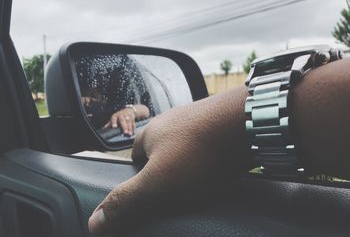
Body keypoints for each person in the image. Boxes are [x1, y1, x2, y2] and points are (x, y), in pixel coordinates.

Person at [88, 57, 350, 236]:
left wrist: (230, 129)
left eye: (96, 91)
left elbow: (144, 106)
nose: (91, 98)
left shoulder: (120, 104)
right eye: (87, 95)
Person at [77, 54, 154, 135]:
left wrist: (128, 112)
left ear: (104, 96)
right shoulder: (82, 111)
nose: (89, 100)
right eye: (85, 96)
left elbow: (145, 109)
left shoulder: (116, 108)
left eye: (93, 96)